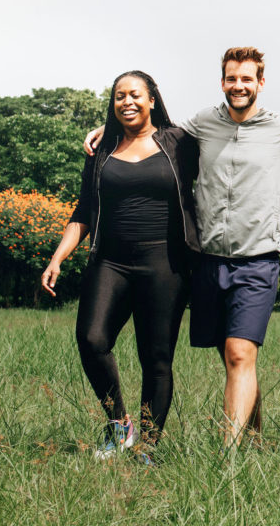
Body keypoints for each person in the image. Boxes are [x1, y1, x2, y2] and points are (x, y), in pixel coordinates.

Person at [85, 47, 280, 446]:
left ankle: (228, 458)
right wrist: (110, 129)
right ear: (222, 81)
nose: (238, 86)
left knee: (240, 355)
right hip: (207, 260)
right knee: (232, 357)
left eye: (247, 79)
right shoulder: (202, 124)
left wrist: (278, 184)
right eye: (231, 78)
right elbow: (156, 130)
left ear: (261, 83)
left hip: (258, 258)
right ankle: (254, 435)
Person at [43, 71, 200, 463]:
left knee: (156, 357)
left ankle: (147, 447)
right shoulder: (102, 149)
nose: (126, 101)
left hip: (165, 263)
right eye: (118, 96)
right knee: (92, 340)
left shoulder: (179, 143)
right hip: (110, 261)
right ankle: (119, 424)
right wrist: (57, 258)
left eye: (134, 95)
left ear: (151, 100)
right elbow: (82, 211)